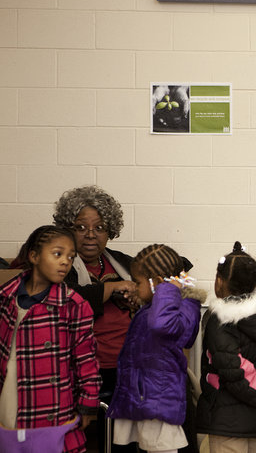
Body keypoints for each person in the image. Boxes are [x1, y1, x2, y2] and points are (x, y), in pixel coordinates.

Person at [51, 185, 195, 452]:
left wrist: (141, 294)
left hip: (132, 366)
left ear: (111, 231)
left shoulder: (121, 262)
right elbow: (62, 300)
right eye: (81, 228)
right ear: (68, 228)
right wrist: (109, 289)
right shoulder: (60, 265)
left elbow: (173, 270)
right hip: (89, 369)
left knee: (175, 381)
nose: (91, 235)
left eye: (100, 228)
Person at [0, 225, 100, 453]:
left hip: (53, 408)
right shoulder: (5, 298)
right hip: (9, 406)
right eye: (57, 254)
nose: (66, 261)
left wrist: (88, 404)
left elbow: (87, 360)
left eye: (70, 257)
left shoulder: (73, 305)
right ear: (34, 256)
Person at [107, 244, 206, 453]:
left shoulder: (186, 304)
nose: (134, 286)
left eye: (138, 282)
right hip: (141, 395)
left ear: (157, 283)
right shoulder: (154, 306)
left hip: (160, 400)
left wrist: (167, 288)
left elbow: (164, 326)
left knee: (161, 448)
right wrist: (147, 299)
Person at [196, 242, 256, 452]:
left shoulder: (220, 316)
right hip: (255, 419)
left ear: (220, 281)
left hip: (227, 421)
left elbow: (234, 368)